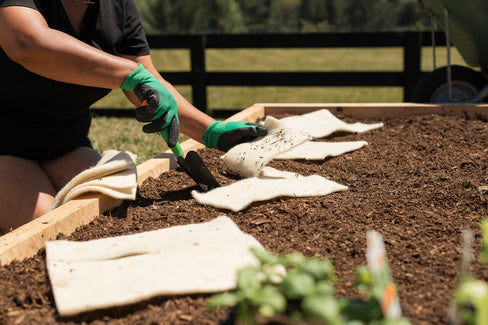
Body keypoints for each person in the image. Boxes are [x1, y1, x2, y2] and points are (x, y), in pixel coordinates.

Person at [0, 0, 267, 233]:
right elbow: (27, 43)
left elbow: (149, 82)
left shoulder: (118, 6)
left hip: (63, 141)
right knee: (51, 225)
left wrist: (211, 131)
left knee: (111, 213)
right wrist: (128, 74)